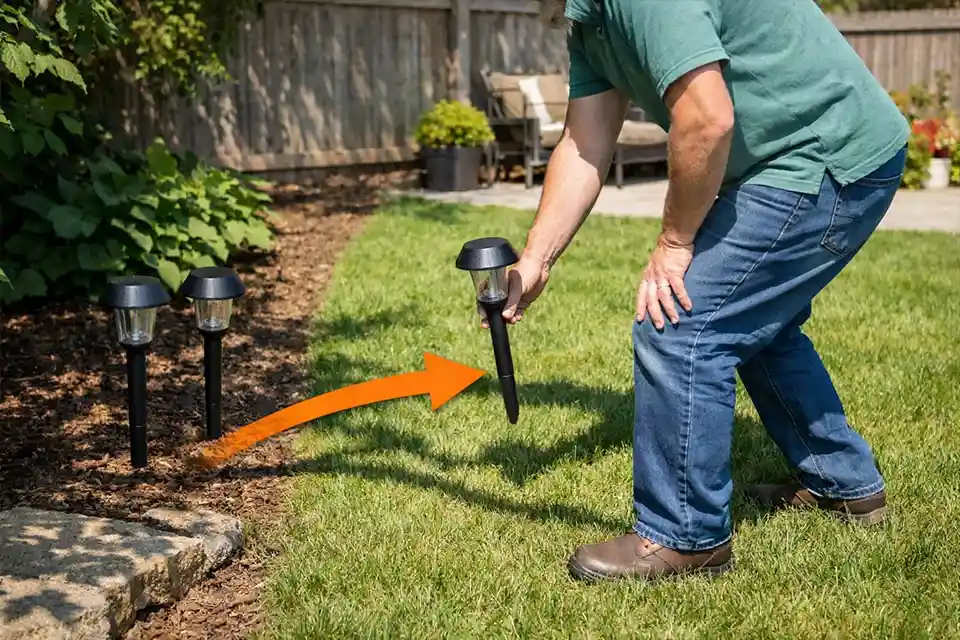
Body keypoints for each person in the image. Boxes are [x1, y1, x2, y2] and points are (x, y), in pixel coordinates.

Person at [493, 0, 909, 582]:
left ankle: (687, 537)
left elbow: (706, 119)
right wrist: (536, 257)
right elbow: (586, 141)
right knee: (760, 325)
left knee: (682, 324)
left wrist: (674, 242)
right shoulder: (590, 19)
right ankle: (845, 486)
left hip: (826, 156)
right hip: (782, 162)